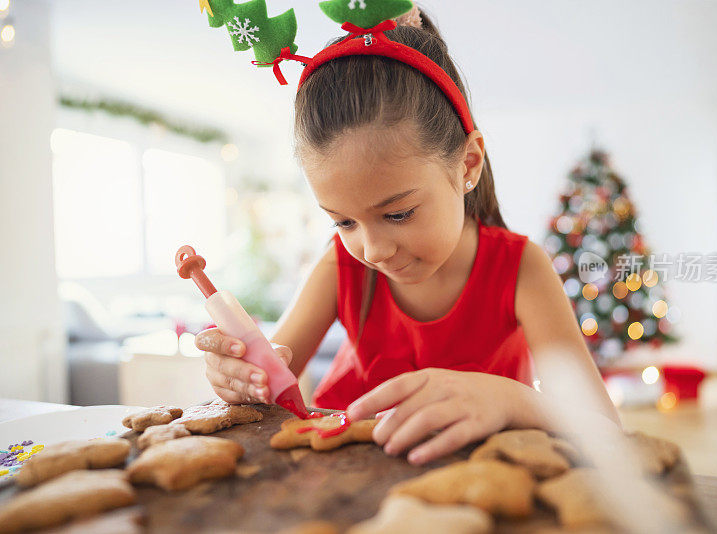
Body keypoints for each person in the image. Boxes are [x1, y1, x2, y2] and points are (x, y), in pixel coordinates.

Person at [195, 6, 620, 466]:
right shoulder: (339, 266)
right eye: (343, 222)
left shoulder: (520, 270)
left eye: (398, 213)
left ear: (467, 165)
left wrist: (512, 400)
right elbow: (271, 383)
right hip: (344, 480)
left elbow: (604, 430)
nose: (371, 250)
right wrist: (242, 379)